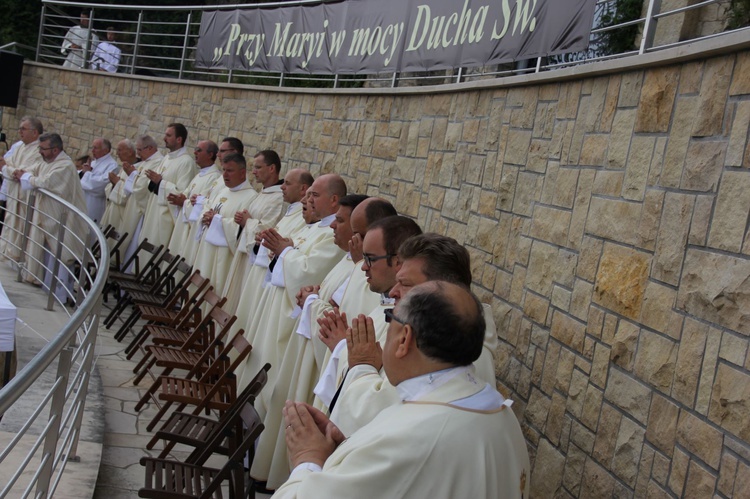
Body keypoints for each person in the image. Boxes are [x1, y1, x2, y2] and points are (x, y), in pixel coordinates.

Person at [275, 281, 530, 499]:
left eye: (390, 319)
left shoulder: (409, 437)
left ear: (404, 339)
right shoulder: (500, 414)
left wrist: (308, 458)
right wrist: (344, 454)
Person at [251, 194, 368, 490]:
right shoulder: (349, 262)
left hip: (324, 363)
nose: (333, 227)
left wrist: (314, 301)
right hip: (309, 350)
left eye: (340, 222)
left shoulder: (363, 273)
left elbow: (346, 324)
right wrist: (315, 295)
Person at [329, 233, 500, 435]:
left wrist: (362, 364)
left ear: (440, 289)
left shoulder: (454, 349)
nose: (393, 292)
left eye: (406, 284)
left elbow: (379, 424)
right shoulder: (433, 328)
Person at [235, 174, 347, 396]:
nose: (308, 200)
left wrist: (284, 250)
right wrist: (272, 246)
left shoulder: (332, 237)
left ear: (334, 200)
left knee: (272, 375)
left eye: (315, 195)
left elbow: (309, 272)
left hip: (287, 316)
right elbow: (285, 257)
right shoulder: (312, 228)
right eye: (308, 195)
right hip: (273, 306)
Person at [313, 215, 421, 416]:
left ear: (397, 261)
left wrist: (342, 347)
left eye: (369, 259)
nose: (363, 266)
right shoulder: (385, 306)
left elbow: (384, 404)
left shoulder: (415, 326)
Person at [15, 133, 88, 301]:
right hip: (49, 218)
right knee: (48, 257)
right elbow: (36, 171)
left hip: (63, 221)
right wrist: (24, 172)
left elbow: (48, 183)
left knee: (59, 256)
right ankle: (46, 290)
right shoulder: (48, 162)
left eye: (43, 148)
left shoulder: (65, 166)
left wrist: (26, 177)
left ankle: (59, 296)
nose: (39, 152)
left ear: (55, 150)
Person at [221, 149, 287, 311]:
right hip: (244, 258)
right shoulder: (262, 193)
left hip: (256, 265)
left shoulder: (279, 198)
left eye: (258, 167)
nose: (254, 172)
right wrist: (242, 221)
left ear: (272, 168)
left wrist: (247, 222)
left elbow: (268, 232)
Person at [191, 153, 258, 295]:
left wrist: (217, 221)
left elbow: (242, 230)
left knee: (215, 290)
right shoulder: (223, 191)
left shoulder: (251, 197)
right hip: (206, 250)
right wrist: (206, 217)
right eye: (223, 170)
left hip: (224, 258)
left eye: (230, 171)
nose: (225, 175)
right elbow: (207, 208)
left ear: (242, 173)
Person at [138, 123, 197, 249]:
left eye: (169, 135)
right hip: (153, 212)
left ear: (179, 139)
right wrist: (153, 181)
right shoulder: (166, 158)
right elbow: (154, 185)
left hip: (165, 218)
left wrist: (161, 183)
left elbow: (181, 194)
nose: (164, 138)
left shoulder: (186, 162)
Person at [165, 139, 221, 265]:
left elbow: (204, 205)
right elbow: (187, 194)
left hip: (192, 229)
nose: (195, 152)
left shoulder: (214, 177)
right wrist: (182, 199)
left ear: (210, 154)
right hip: (183, 224)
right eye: (195, 149)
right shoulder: (199, 175)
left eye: (199, 150)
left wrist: (184, 202)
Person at [0, 117, 44, 262]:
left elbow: (24, 172)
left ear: (35, 132)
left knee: (21, 227)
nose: (20, 132)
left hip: (25, 196)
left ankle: (16, 258)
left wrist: (10, 170)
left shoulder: (39, 150)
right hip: (14, 193)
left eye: (23, 129)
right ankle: (5, 253)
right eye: (20, 128)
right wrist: (10, 170)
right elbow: (8, 165)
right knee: (10, 223)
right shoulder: (19, 147)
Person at [118, 135, 163, 267]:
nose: (137, 153)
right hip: (132, 208)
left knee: (133, 247)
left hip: (140, 214)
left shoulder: (157, 162)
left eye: (139, 150)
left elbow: (144, 187)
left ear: (150, 148)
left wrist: (133, 174)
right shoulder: (143, 163)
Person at [100, 139, 138, 231]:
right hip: (112, 211)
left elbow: (130, 193)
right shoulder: (124, 167)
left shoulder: (137, 169)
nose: (117, 154)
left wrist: (117, 183)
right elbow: (109, 190)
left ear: (130, 152)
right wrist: (113, 184)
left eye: (120, 150)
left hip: (123, 216)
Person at [80, 137, 118, 224]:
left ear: (106, 150)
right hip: (84, 201)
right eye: (92, 147)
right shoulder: (93, 162)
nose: (92, 151)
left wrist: (86, 173)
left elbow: (102, 186)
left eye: (95, 148)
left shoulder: (112, 165)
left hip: (96, 205)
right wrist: (83, 172)